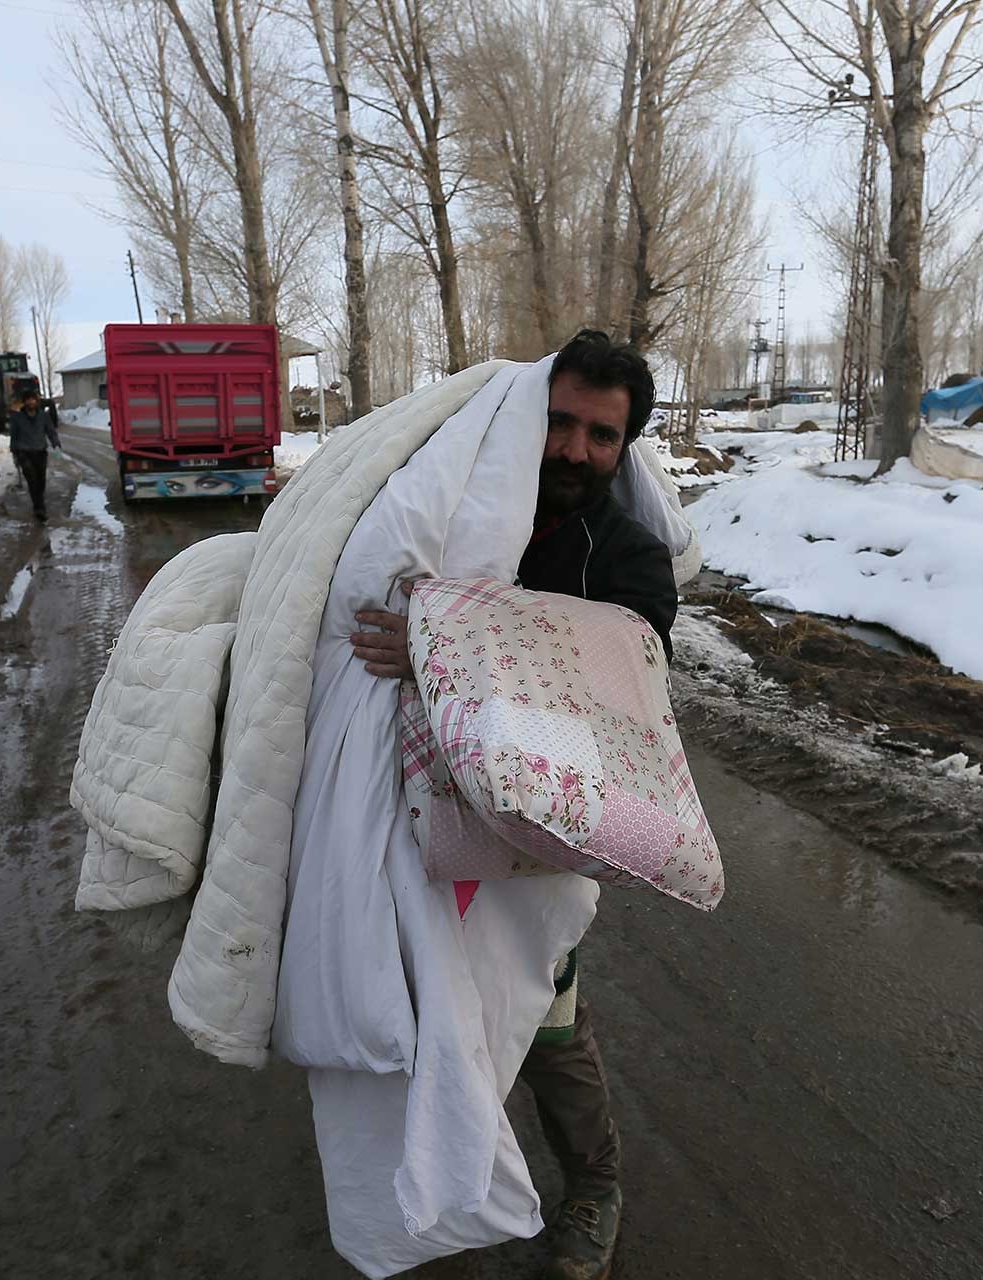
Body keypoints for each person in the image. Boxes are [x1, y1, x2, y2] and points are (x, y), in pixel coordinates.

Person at [348, 329, 673, 1280]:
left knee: (547, 1019)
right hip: (417, 813)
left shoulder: (627, 559)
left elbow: (620, 689)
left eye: (601, 435)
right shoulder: (458, 506)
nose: (573, 450)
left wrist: (442, 652)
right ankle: (434, 1170)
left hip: (537, 835)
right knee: (423, 1003)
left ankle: (594, 1187)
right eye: (559, 421)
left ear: (625, 448)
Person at [7, 385, 62, 522]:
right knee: (32, 481)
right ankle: (39, 508)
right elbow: (14, 435)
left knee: (41, 481)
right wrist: (14, 452)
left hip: (40, 452)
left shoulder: (43, 416)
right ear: (24, 402)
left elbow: (50, 431)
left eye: (33, 400)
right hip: (24, 454)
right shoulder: (18, 418)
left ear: (36, 401)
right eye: (28, 400)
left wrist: (56, 443)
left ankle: (39, 502)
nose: (31, 402)